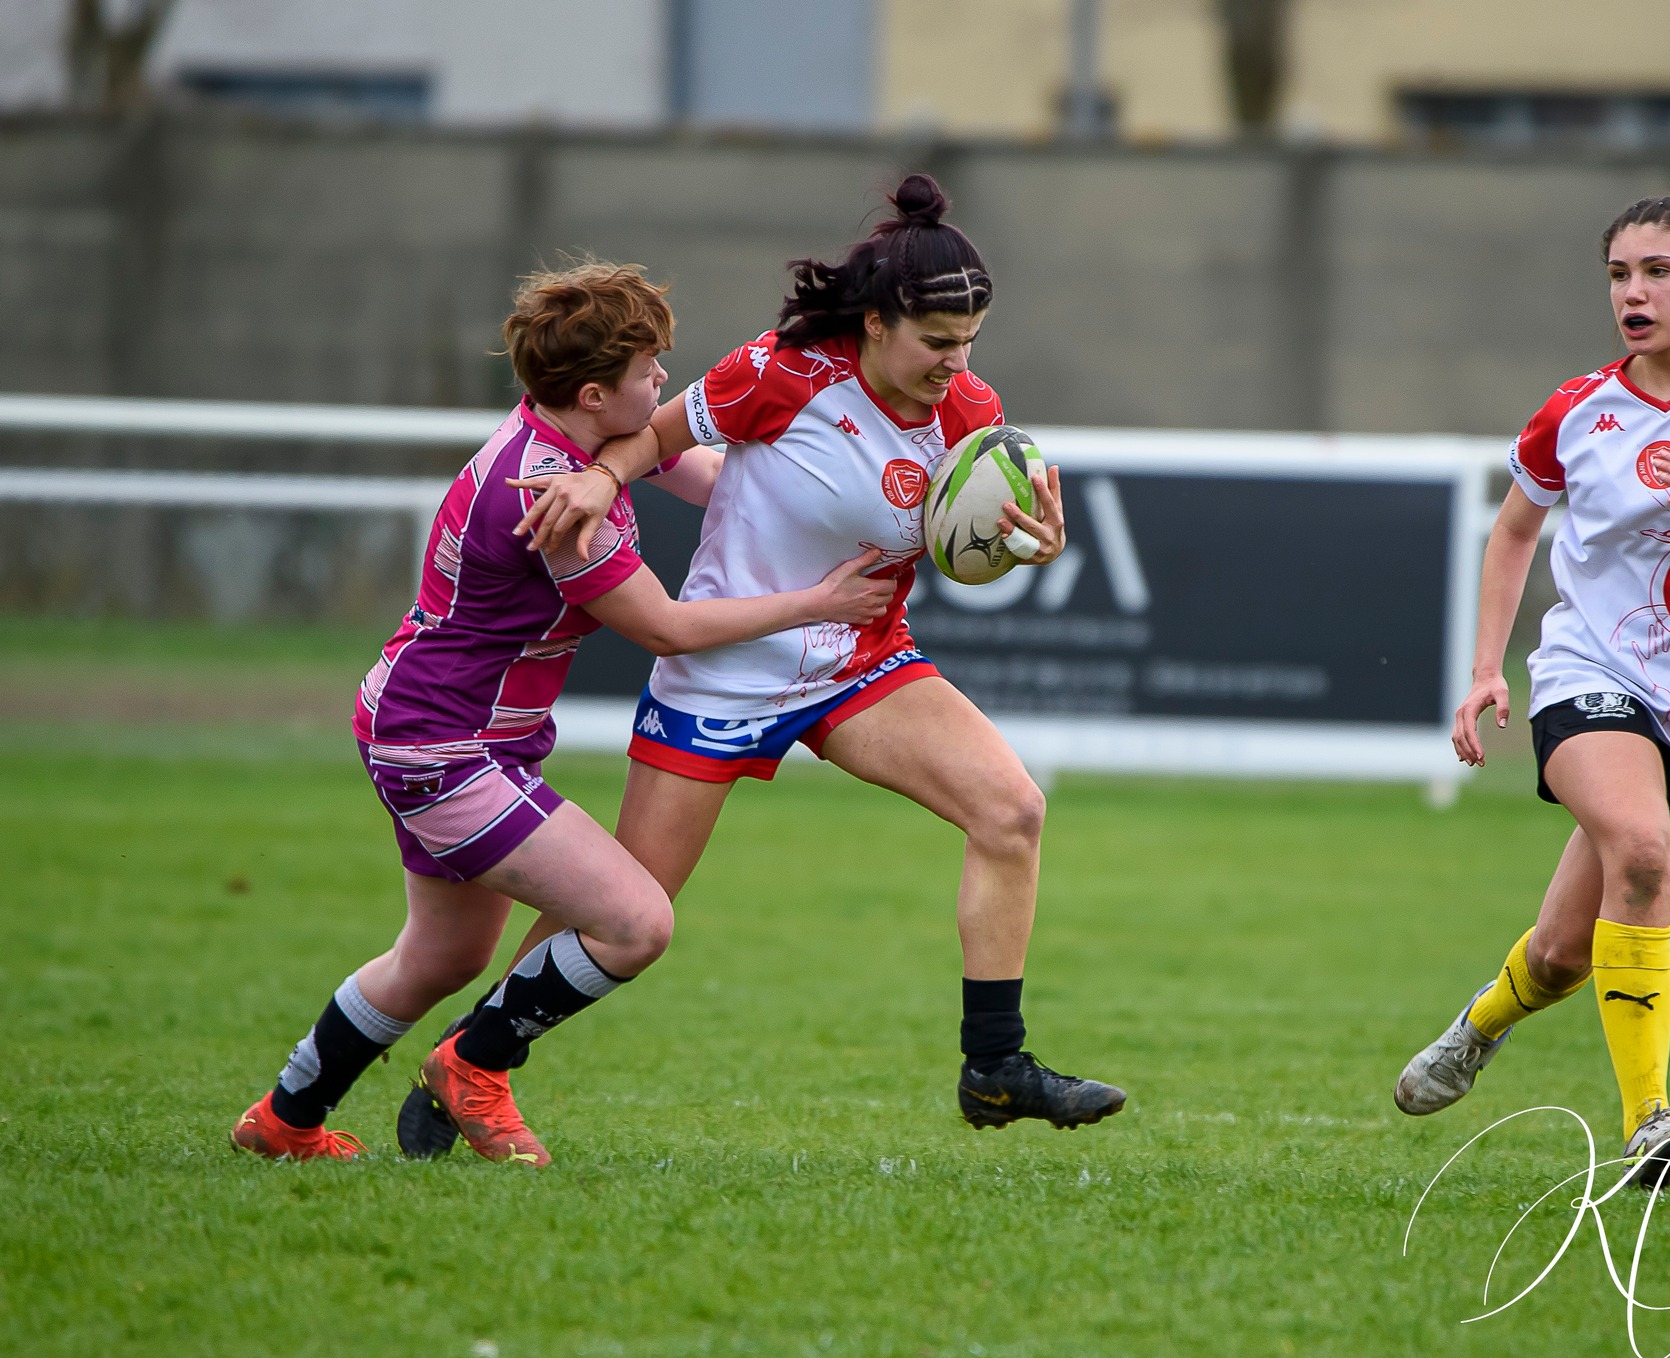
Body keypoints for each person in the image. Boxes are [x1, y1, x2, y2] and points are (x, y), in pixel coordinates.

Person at [417, 174, 1127, 1144]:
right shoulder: (784, 369)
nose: (954, 364)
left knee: (1010, 809)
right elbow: (653, 439)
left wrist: (1016, 545)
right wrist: (592, 477)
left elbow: (950, 551)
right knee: (626, 906)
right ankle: (472, 1057)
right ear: (875, 323)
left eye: (968, 343)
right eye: (935, 343)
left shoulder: (966, 411)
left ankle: (994, 1066)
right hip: (724, 673)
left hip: (857, 664)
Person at [231, 261, 895, 1164]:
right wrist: (813, 604)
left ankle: (281, 1120)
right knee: (637, 920)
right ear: (594, 393)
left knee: (443, 957)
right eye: (649, 371)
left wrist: (885, 499)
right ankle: (475, 1069)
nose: (665, 381)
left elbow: (721, 482)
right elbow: (666, 628)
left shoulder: (573, 448)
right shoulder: (551, 500)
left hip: (438, 730)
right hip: (444, 744)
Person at [1392, 194, 1670, 1189]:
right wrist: (1482, 669)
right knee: (1641, 850)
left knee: (1561, 951)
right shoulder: (1577, 408)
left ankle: (1478, 1025)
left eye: (1655, 272)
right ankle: (1649, 1120)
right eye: (1616, 275)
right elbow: (1513, 530)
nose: (1631, 293)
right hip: (1583, 673)